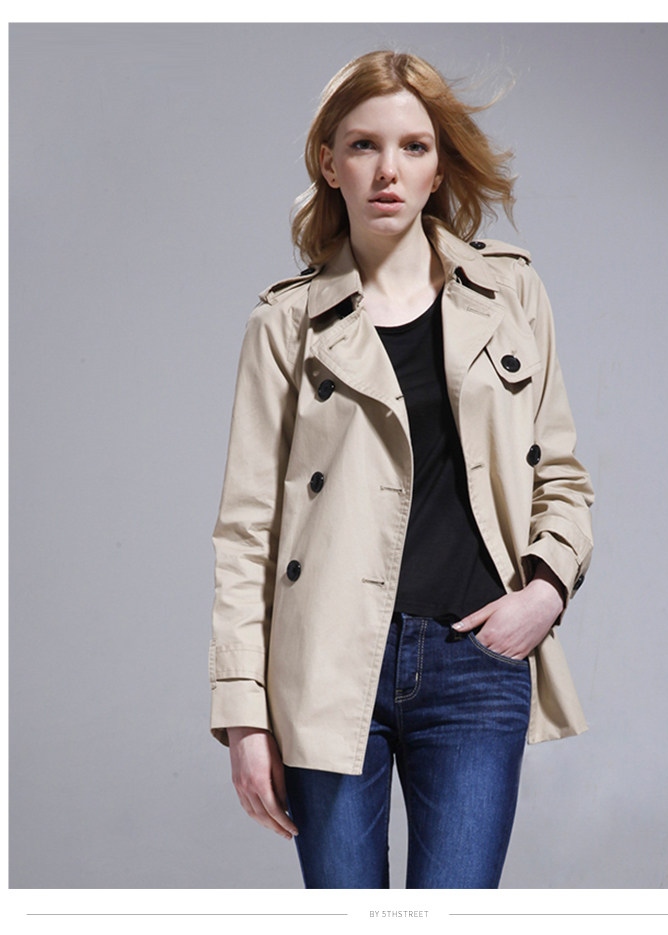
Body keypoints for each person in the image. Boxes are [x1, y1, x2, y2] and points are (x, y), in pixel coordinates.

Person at [209, 50, 594, 889]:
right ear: (329, 163)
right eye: (364, 145)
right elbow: (246, 532)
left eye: (414, 146)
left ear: (439, 166)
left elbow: (561, 476)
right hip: (325, 661)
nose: (389, 170)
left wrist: (544, 594)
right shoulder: (284, 325)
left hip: (476, 662)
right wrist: (243, 713)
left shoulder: (511, 295)